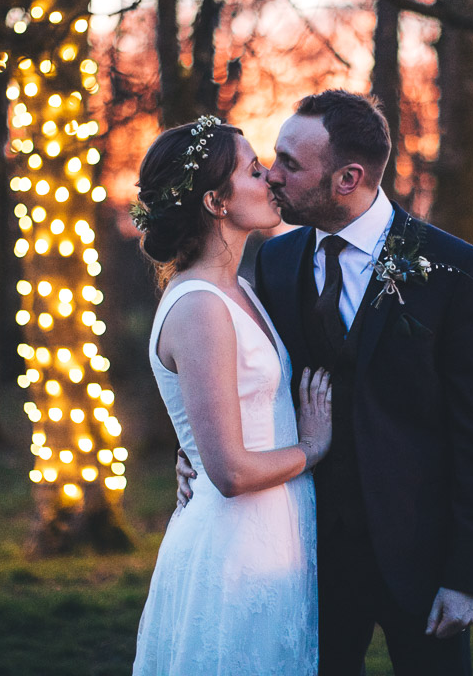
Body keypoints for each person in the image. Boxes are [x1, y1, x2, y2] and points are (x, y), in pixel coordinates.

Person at [178, 91, 473, 675]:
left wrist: (465, 575)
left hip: (421, 557)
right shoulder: (277, 261)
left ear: (347, 177)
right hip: (305, 554)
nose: (272, 175)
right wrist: (195, 456)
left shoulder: (453, 270)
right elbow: (245, 383)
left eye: (290, 163)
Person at [130, 115, 333, 676]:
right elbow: (230, 472)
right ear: (217, 201)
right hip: (233, 552)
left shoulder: (240, 288)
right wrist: (313, 447)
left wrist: (193, 448)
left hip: (275, 537)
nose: (270, 178)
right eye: (254, 170)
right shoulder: (199, 306)